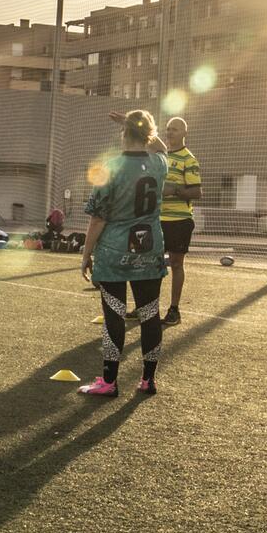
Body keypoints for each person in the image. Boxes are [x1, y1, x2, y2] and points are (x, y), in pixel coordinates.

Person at [78, 110, 168, 398]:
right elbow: (161, 148)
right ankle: (148, 380)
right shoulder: (159, 163)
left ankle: (109, 381)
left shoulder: (112, 166)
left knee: (114, 315)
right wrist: (143, 131)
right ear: (149, 135)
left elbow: (98, 218)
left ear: (123, 134)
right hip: (150, 248)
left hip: (115, 252)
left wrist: (85, 253)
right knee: (150, 313)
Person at [158, 116, 202, 326]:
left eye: (174, 129)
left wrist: (174, 190)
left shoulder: (189, 159)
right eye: (167, 129)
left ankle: (174, 310)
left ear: (185, 133)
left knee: (176, 264)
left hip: (179, 221)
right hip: (156, 219)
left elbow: (197, 192)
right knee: (150, 264)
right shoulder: (161, 156)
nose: (170, 133)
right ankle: (145, 306)